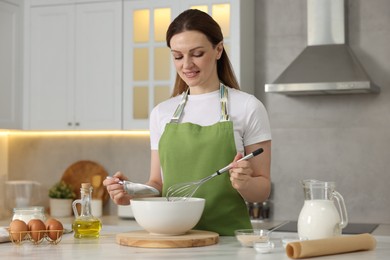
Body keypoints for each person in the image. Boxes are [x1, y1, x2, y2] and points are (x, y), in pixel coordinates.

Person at [103, 9, 272, 236]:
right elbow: (158, 184)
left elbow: (262, 190)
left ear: (218, 49)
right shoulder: (161, 113)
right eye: (178, 56)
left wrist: (245, 183)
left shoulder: (248, 107)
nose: (187, 64)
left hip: (227, 243)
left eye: (197, 53)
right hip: (172, 239)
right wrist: (131, 191)